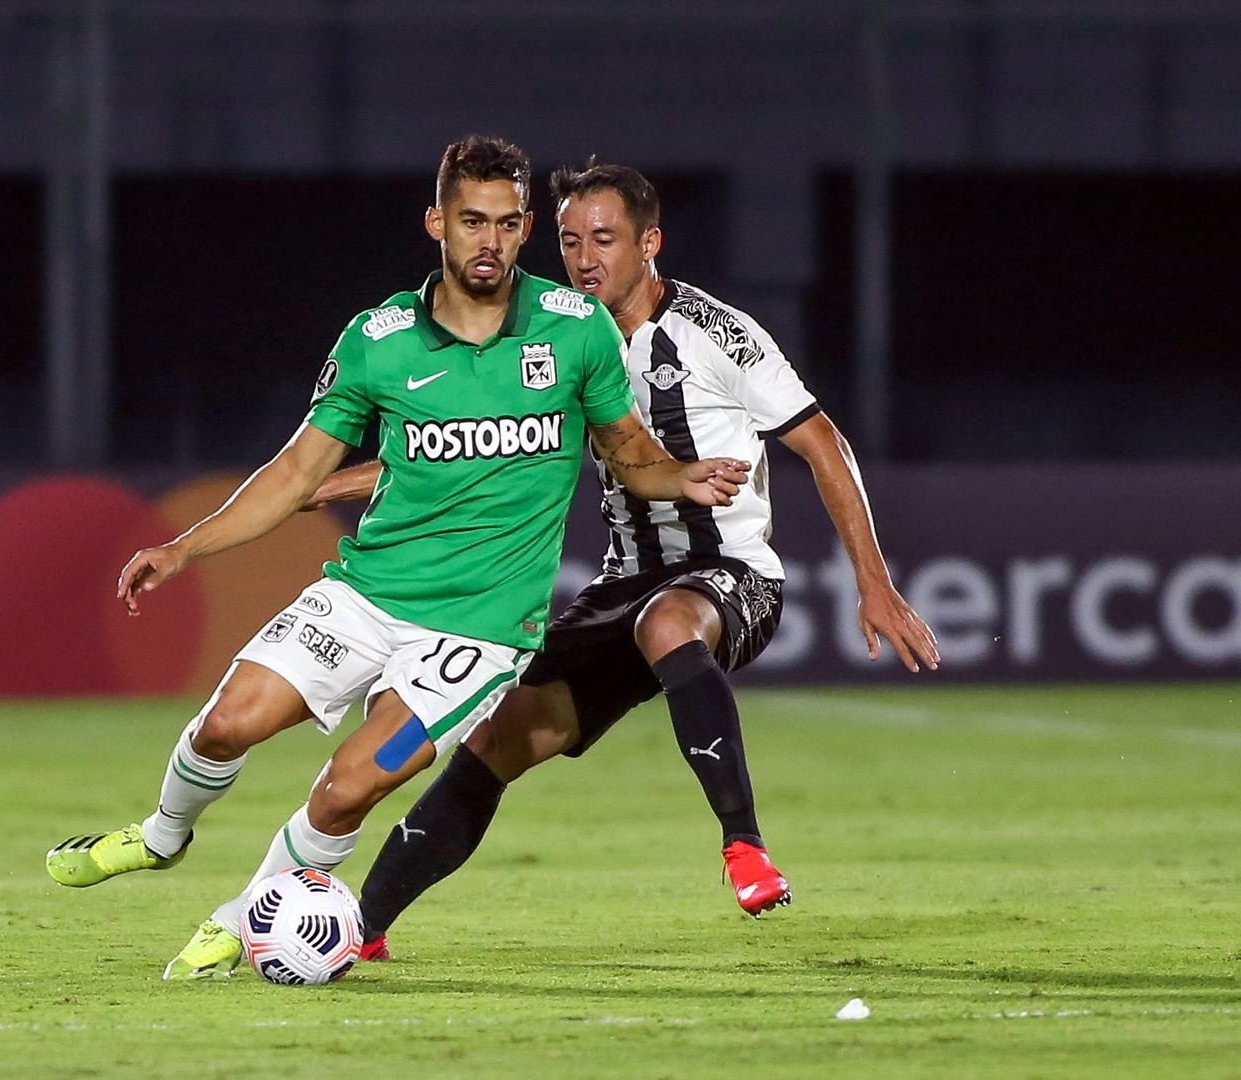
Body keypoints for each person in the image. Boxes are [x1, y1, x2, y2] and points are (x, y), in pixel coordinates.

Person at [43, 136, 750, 980]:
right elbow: (298, 471)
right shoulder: (380, 339)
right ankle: (161, 838)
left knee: (349, 786)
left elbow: (627, 446)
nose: (488, 240)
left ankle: (243, 919)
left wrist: (681, 477)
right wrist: (183, 546)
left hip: (481, 630)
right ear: (436, 223)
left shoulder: (574, 331)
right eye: (470, 221)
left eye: (507, 223)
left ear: (526, 229)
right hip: (368, 595)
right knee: (228, 722)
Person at [308, 160, 939, 958]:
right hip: (623, 586)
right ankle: (357, 930)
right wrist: (325, 481)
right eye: (570, 241)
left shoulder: (717, 334)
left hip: (732, 578)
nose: (583, 259)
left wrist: (874, 584)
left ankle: (744, 847)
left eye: (603, 240)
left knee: (670, 621)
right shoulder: (560, 338)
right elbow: (454, 451)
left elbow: (824, 444)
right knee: (496, 741)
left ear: (651, 245)